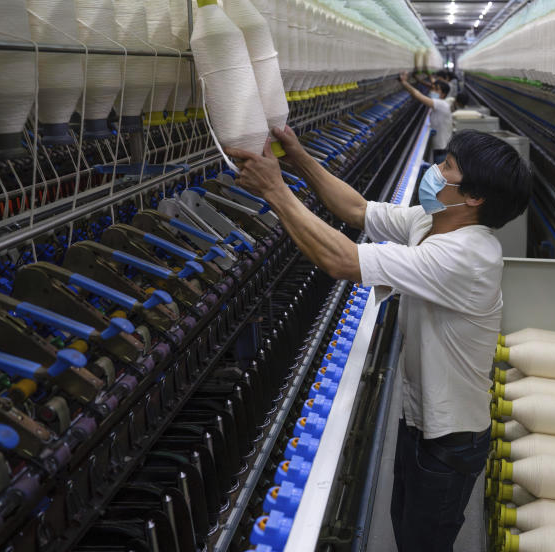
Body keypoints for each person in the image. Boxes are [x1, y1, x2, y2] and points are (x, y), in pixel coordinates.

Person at [227, 127, 532, 552]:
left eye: (448, 167)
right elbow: (357, 209)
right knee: (403, 524)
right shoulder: (433, 221)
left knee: (420, 543)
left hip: (449, 440)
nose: (435, 169)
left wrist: (276, 192)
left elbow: (341, 260)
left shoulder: (467, 256)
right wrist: (297, 157)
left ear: (475, 198)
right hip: (419, 418)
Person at [399, 71, 451, 164]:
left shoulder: (441, 104)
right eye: (433, 89)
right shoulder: (441, 103)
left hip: (442, 152)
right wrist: (419, 78)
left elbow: (417, 95)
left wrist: (404, 82)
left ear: (443, 94)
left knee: (441, 176)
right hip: (440, 149)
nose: (432, 91)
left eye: (436, 90)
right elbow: (429, 85)